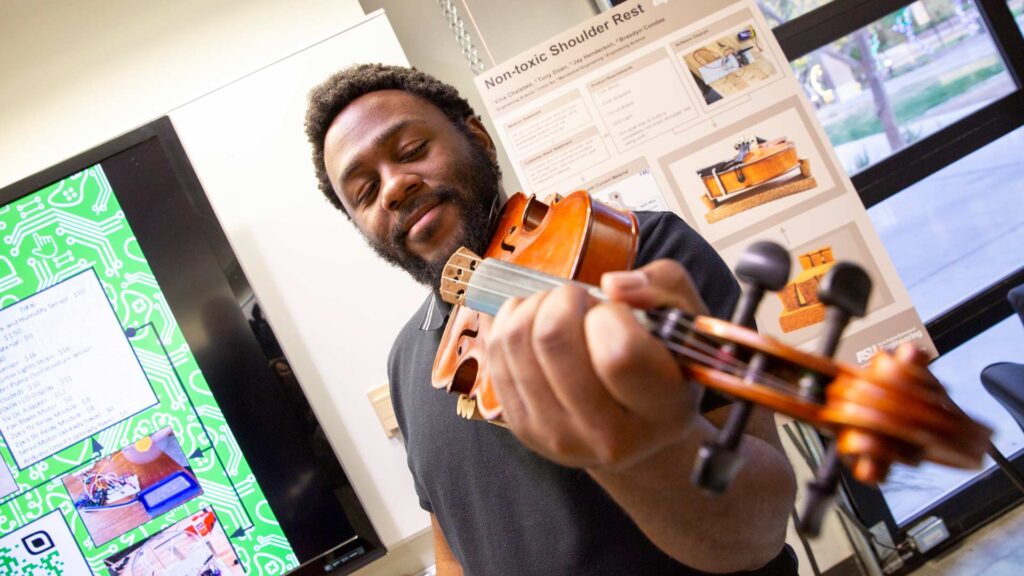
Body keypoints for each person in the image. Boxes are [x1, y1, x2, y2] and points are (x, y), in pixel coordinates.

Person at [305, 64, 797, 575]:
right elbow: (454, 546)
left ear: (478, 137)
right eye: (364, 193)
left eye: (411, 152)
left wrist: (639, 449)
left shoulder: (641, 253)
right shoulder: (409, 360)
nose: (393, 188)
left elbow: (756, 533)